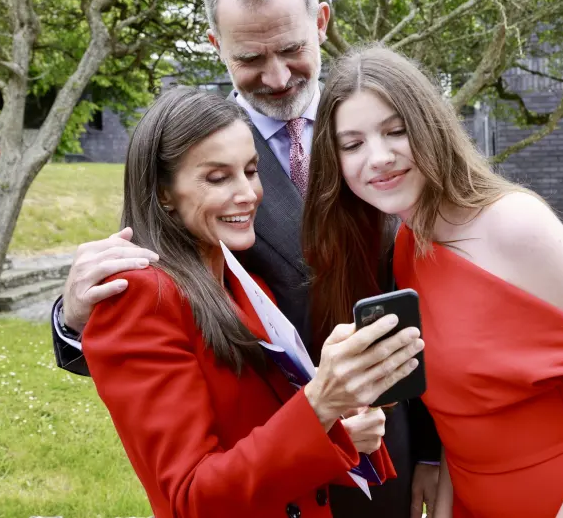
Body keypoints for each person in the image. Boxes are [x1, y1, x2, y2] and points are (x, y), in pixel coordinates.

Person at [51, 0, 442, 518]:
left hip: (389, 445)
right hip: (265, 465)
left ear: (321, 22)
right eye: (251, 58)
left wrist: (434, 448)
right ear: (216, 46)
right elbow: (155, 313)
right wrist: (73, 321)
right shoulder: (189, 147)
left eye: (291, 48)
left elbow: (430, 286)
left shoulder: (378, 127)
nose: (278, 76)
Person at [302, 45, 563, 518]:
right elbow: (462, 417)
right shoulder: (408, 244)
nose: (379, 157)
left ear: (430, 125)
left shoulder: (518, 226)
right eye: (352, 145)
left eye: (396, 131)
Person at [83, 86, 423, 517]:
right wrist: (320, 404)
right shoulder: (140, 298)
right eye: (218, 178)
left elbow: (260, 429)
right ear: (164, 192)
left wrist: (335, 424)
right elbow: (190, 497)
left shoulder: (242, 277)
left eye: (251, 170)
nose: (248, 193)